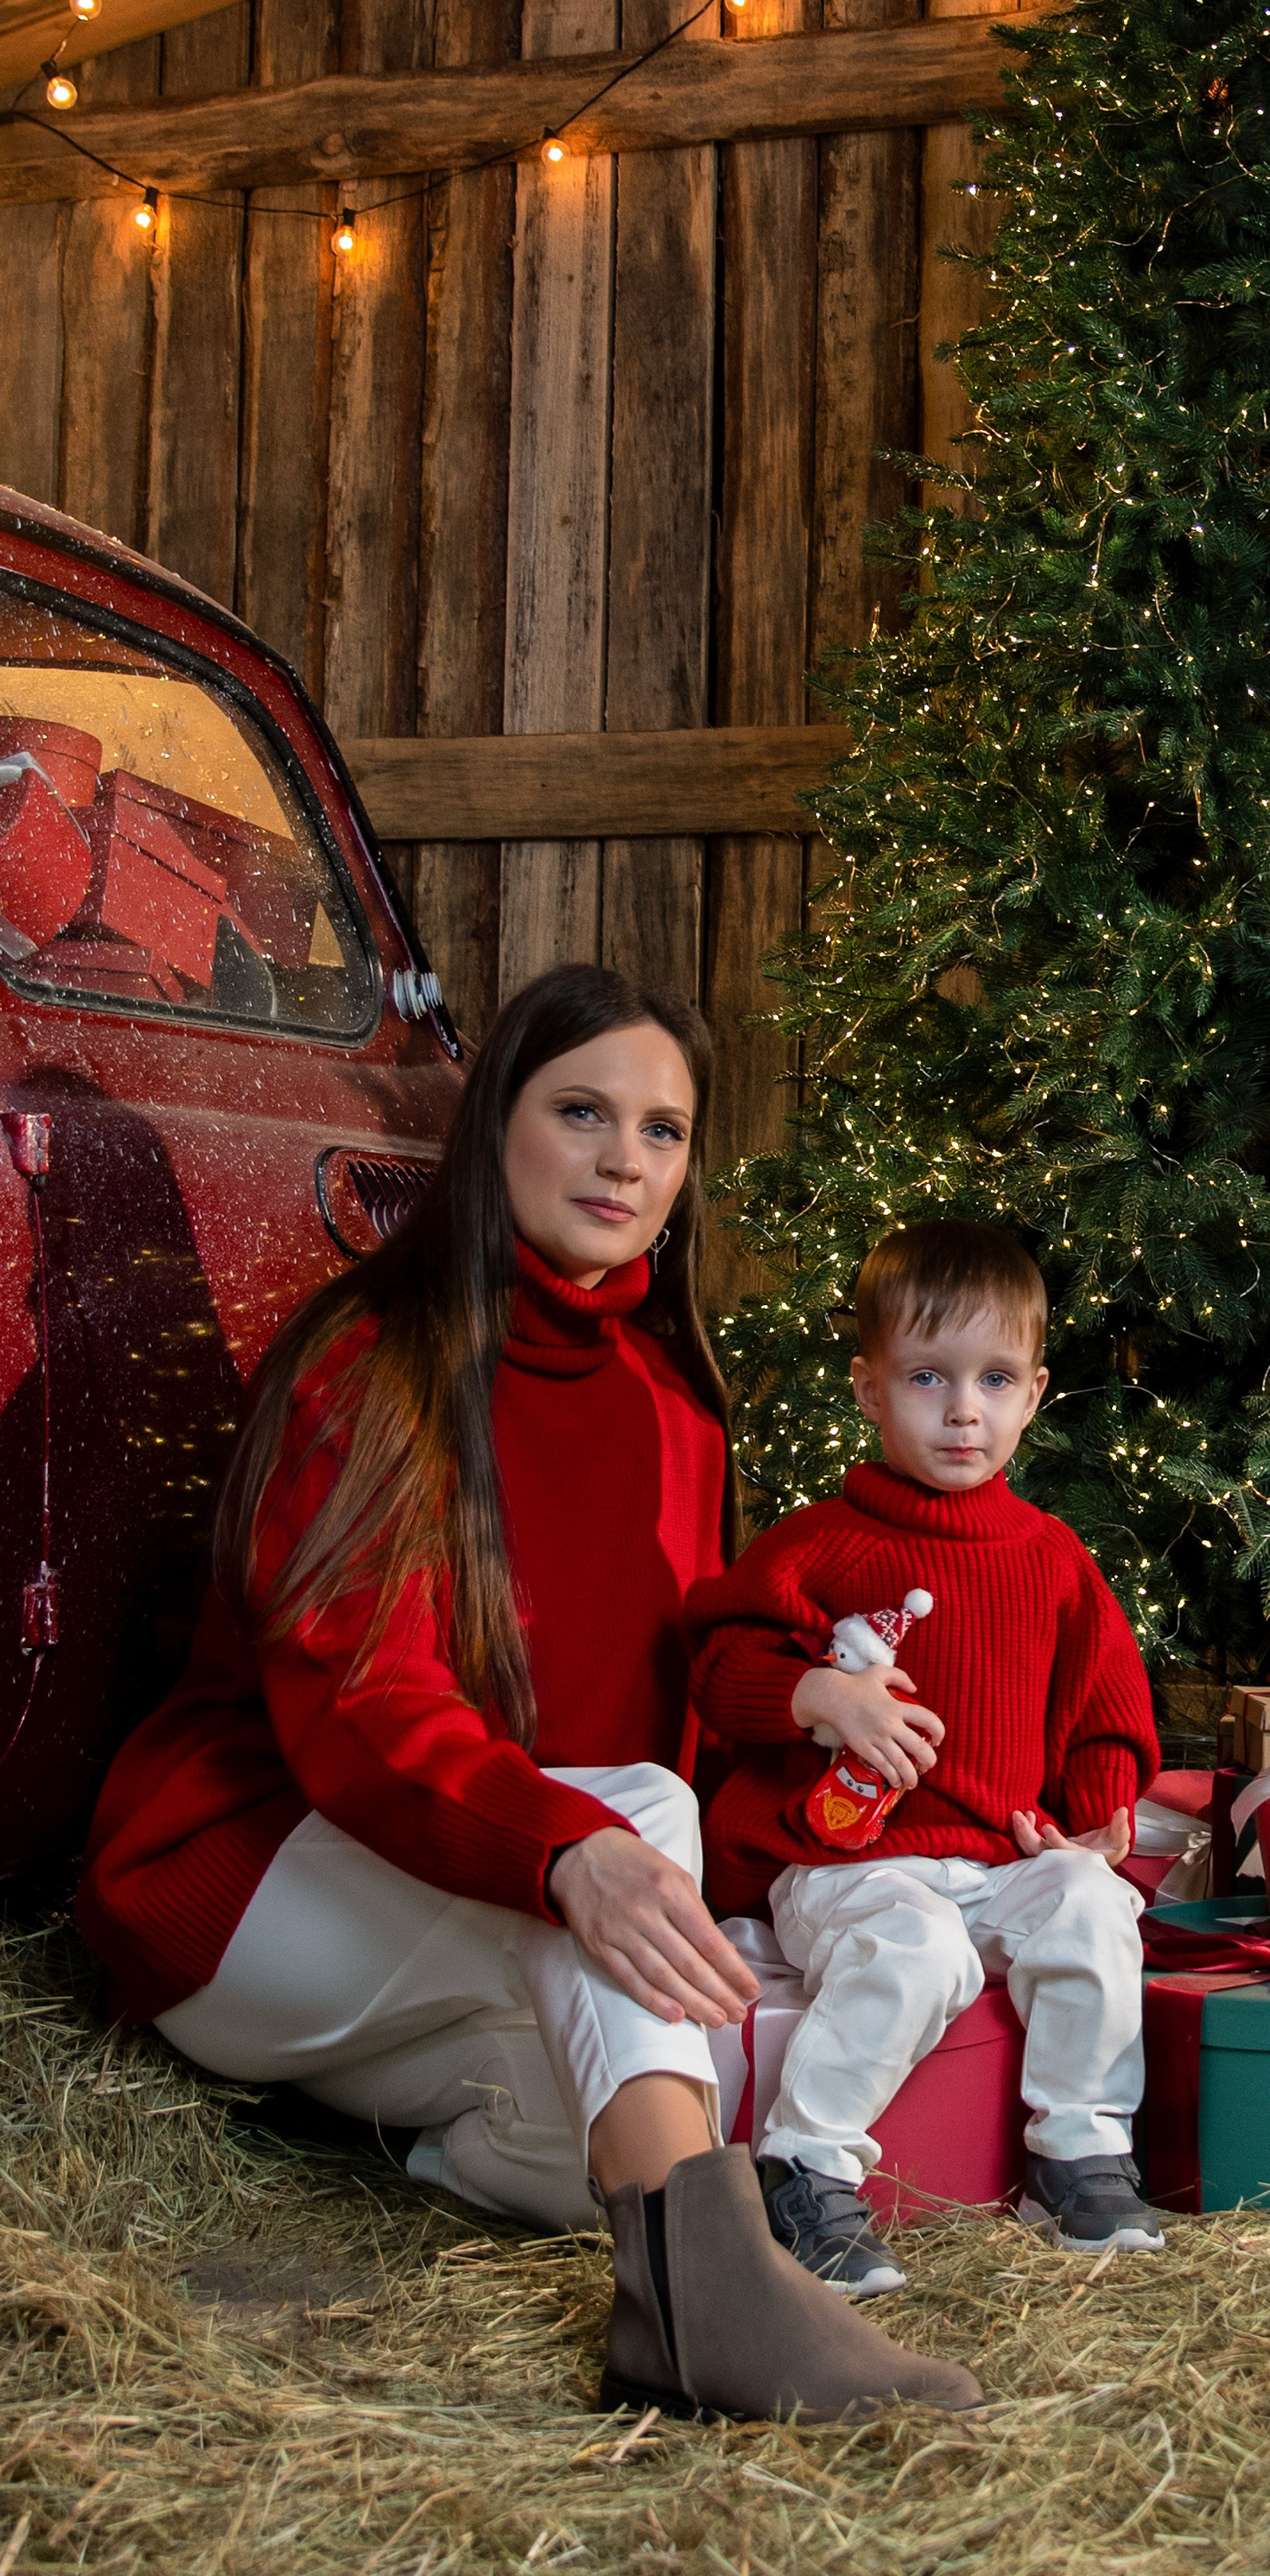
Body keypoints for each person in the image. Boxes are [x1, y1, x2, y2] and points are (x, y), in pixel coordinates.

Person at [74, 966, 978, 2427]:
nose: (627, 1159)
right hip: (249, 1879)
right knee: (630, 1835)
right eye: (583, 1111)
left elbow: (666, 1705)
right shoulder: (376, 1360)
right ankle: (714, 2311)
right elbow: (363, 1709)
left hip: (473, 1893)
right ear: (498, 1122)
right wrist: (570, 1851)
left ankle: (522, 2186)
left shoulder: (676, 1406)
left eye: (665, 1132)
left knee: (667, 2079)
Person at [683, 1219, 1164, 2300]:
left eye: (995, 1379)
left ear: (1033, 1395)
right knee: (919, 1953)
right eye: (928, 1378)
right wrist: (816, 1694)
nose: (963, 1410)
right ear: (869, 1389)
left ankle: (1078, 2151)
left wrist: (1096, 1816)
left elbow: (1108, 1708)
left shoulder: (1049, 1557)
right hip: (850, 1861)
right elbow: (717, 1665)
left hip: (998, 1860)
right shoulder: (822, 1542)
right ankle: (804, 2165)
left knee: (1094, 1907)